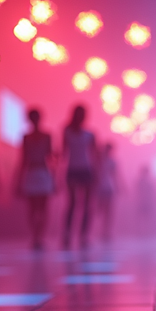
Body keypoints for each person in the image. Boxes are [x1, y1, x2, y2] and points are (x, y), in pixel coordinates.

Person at [17, 109, 54, 250]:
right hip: (32, 172)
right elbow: (23, 160)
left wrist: (54, 177)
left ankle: (40, 236)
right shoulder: (26, 137)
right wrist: (19, 180)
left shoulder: (47, 136)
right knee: (33, 208)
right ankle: (35, 236)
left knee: (43, 207)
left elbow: (51, 159)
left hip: (43, 172)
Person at [61, 105, 96, 248]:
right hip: (72, 170)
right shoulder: (67, 132)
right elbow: (64, 153)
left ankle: (84, 235)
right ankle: (67, 233)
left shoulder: (89, 134)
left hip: (86, 170)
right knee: (72, 203)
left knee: (87, 204)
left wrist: (96, 173)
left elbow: (95, 155)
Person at [95, 143, 118, 242]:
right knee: (100, 210)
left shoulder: (111, 161)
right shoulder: (98, 161)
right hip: (101, 188)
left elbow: (115, 175)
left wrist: (118, 187)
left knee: (108, 212)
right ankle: (100, 231)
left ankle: (106, 232)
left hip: (108, 188)